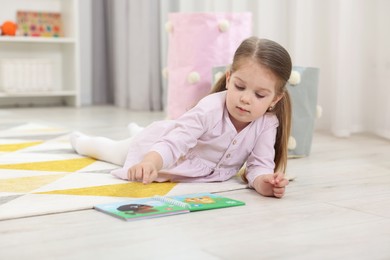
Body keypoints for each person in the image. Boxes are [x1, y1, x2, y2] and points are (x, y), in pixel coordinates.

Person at [70, 36, 292, 198]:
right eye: (240, 86)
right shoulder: (210, 109)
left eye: (259, 95)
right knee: (113, 151)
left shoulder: (267, 123)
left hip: (176, 141)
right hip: (164, 150)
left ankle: (138, 130)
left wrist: (265, 183)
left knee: (158, 132)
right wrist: (149, 161)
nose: (246, 99)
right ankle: (80, 141)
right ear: (228, 78)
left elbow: (259, 165)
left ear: (275, 99)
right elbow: (174, 142)